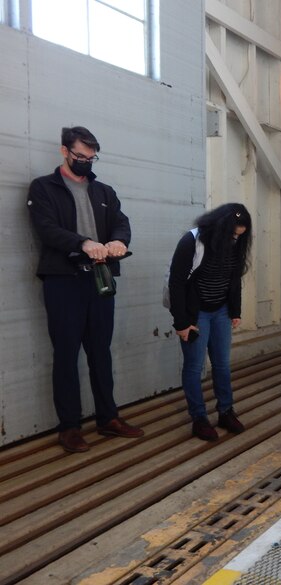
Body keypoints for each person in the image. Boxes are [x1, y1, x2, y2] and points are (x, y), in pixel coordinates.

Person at [27, 126, 144, 453]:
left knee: (101, 352)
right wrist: (83, 242)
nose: (86, 163)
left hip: (99, 278)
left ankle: (108, 418)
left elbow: (121, 221)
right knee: (66, 355)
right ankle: (70, 427)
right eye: (80, 157)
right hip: (63, 281)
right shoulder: (44, 188)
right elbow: (47, 229)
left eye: (92, 158)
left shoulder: (104, 191)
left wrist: (119, 240)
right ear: (64, 151)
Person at [168, 203, 252, 441]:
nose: (236, 239)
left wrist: (235, 310)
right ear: (221, 227)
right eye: (233, 233)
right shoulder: (192, 242)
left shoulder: (235, 243)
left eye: (240, 235)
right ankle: (199, 418)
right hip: (197, 313)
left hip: (221, 311)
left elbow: (233, 280)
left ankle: (226, 411)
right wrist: (181, 323)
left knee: (222, 364)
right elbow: (176, 283)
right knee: (194, 366)